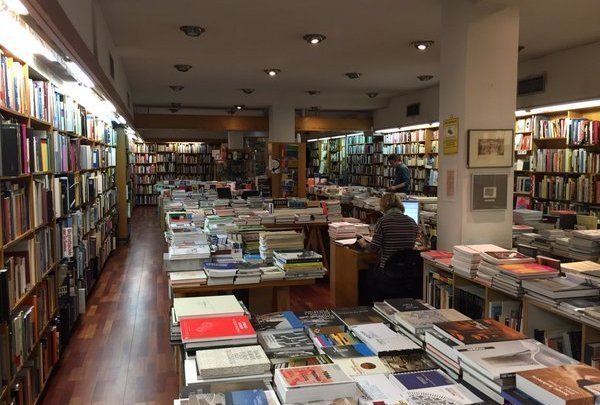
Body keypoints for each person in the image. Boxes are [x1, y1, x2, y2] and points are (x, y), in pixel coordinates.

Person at [358, 193, 419, 270]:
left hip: (388, 269)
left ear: (383, 207)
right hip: (407, 269)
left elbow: (374, 249)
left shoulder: (383, 222)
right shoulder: (412, 221)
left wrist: (363, 244)